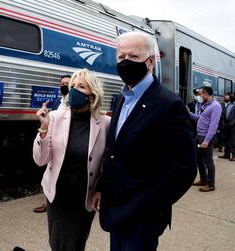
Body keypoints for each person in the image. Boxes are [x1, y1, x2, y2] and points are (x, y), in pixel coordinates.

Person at [92, 31, 197, 251]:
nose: (125, 62)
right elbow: (114, 152)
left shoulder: (168, 104)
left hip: (142, 217)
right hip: (116, 209)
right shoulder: (121, 98)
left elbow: (184, 168)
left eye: (133, 56)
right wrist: (102, 187)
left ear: (149, 62)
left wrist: (149, 205)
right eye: (121, 57)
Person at [33, 69, 110, 251]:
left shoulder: (104, 123)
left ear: (92, 96)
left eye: (81, 86)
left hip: (84, 198)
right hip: (58, 195)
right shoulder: (54, 118)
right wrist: (43, 129)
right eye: (72, 86)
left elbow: (109, 161)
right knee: (58, 244)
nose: (74, 90)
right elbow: (40, 160)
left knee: (76, 244)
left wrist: (101, 189)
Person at [34, 74, 71, 214]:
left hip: (64, 142)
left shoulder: (74, 102)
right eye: (62, 83)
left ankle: (58, 203)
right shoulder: (56, 102)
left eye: (68, 83)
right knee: (48, 171)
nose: (64, 85)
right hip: (50, 139)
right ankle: (47, 202)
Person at [190, 86, 222, 192]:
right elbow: (199, 118)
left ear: (206, 93)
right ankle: (203, 179)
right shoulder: (205, 105)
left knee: (208, 160)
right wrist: (187, 113)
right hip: (199, 137)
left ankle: (211, 184)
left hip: (206, 138)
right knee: (198, 157)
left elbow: (213, 125)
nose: (199, 96)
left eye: (201, 94)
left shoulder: (215, 106)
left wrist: (206, 141)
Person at [219, 93, 235, 160]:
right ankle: (226, 154)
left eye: (232, 96)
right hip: (227, 124)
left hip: (233, 125)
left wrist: (231, 123)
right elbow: (226, 114)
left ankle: (234, 156)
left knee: (233, 141)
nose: (230, 97)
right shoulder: (229, 104)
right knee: (226, 140)